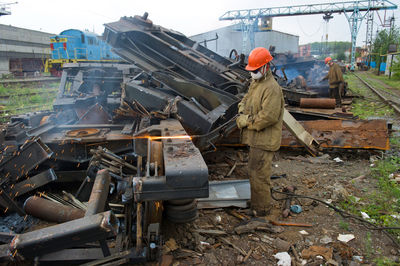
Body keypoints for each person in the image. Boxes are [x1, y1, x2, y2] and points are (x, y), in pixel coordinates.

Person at [236, 47, 284, 216]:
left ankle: (261, 210)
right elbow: (246, 99)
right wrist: (242, 107)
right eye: (251, 70)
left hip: (264, 141)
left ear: (265, 67)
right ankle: (257, 204)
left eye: (255, 70)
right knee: (254, 173)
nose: (253, 73)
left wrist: (246, 121)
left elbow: (268, 116)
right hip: (256, 139)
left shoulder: (271, 88)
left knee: (259, 176)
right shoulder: (257, 83)